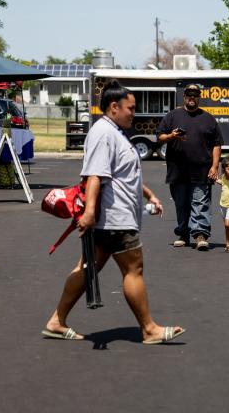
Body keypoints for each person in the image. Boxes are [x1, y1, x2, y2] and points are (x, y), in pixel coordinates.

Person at [43, 80, 185, 344]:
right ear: (114, 107)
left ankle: (56, 321)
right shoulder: (103, 133)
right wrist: (89, 213)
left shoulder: (115, 133)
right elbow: (95, 175)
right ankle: (149, 329)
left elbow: (121, 173)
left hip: (111, 218)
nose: (134, 113)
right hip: (114, 219)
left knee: (87, 268)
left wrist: (148, 194)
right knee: (134, 268)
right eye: (130, 108)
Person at [157, 83, 223, 251]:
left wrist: (215, 166)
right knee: (181, 204)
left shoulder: (208, 118)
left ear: (199, 97)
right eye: (189, 95)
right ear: (184, 97)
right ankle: (183, 234)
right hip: (177, 170)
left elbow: (217, 144)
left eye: (195, 95)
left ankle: (200, 235)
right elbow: (160, 137)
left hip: (201, 169)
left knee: (200, 203)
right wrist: (172, 136)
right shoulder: (172, 116)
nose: (192, 98)